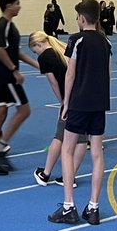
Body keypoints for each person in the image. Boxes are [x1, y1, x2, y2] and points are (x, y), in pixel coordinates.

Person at [48, 0, 111, 226]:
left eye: (77, 17)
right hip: (99, 103)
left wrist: (65, 103)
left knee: (67, 149)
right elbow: (108, 74)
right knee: (96, 153)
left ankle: (68, 206)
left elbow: (70, 74)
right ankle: (93, 207)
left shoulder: (76, 40)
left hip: (79, 103)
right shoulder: (105, 41)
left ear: (82, 18)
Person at [0, 0, 39, 163]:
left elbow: (16, 52)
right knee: (24, 110)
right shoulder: (3, 25)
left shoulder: (8, 25)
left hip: (2, 75)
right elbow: (0, 49)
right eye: (17, 3)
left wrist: (36, 64)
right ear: (8, 6)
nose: (19, 6)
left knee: (0, 114)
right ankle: (0, 147)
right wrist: (14, 70)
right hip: (6, 76)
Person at [30, 31, 87, 188]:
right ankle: (70, 176)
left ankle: (45, 174)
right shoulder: (60, 50)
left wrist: (62, 101)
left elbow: (54, 83)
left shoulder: (45, 57)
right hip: (83, 95)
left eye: (35, 51)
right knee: (82, 137)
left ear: (38, 45)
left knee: (60, 135)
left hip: (70, 98)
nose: (37, 54)